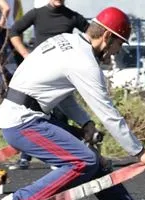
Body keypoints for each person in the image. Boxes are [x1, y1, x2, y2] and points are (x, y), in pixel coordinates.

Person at [0, 6, 145, 200]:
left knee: (96, 161)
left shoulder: (66, 41)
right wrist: (141, 153)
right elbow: (108, 114)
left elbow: (60, 94)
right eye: (119, 43)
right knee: (83, 161)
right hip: (22, 123)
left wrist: (85, 124)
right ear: (107, 36)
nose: (117, 51)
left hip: (24, 115)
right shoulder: (84, 61)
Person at [9, 0, 89, 169]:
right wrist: (25, 54)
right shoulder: (37, 13)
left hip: (60, 76)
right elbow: (14, 31)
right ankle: (25, 157)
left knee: (61, 116)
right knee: (33, 114)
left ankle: (61, 157)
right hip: (39, 74)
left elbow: (91, 36)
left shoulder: (72, 16)